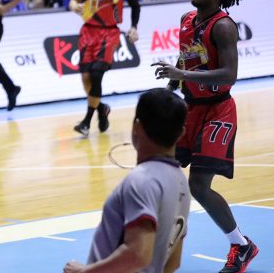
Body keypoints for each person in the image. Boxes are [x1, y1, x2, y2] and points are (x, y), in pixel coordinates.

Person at [153, 0, 259, 273]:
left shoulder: (224, 26)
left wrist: (182, 74)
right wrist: (171, 87)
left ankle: (241, 245)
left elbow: (230, 74)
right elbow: (187, 55)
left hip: (217, 110)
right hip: (190, 107)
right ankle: (161, 240)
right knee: (164, 174)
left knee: (199, 185)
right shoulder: (186, 20)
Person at [63, 88, 190, 273]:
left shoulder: (141, 181)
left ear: (136, 127)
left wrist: (84, 272)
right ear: (181, 133)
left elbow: (138, 254)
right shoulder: (181, 182)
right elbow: (173, 263)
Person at [69, 0, 140, 137]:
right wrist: (75, 7)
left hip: (109, 33)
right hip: (88, 32)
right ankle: (102, 108)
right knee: (86, 79)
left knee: (97, 73)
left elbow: (135, 6)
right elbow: (73, 0)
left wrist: (134, 27)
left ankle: (86, 122)